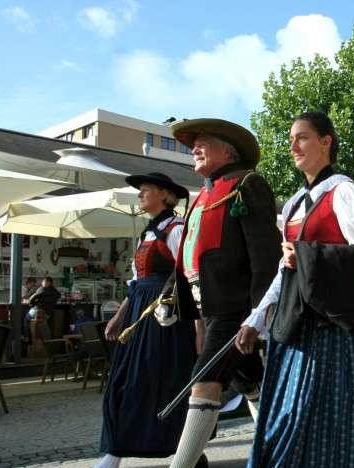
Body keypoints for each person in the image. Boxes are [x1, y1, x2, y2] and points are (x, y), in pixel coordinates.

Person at [236, 111, 354, 467]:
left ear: (326, 142)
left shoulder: (345, 192)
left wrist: (308, 256)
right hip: (295, 326)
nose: (293, 146)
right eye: (291, 139)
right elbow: (285, 269)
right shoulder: (292, 205)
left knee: (324, 420)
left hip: (335, 328)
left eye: (301, 137)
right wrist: (256, 317)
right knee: (287, 419)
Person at [167, 118, 282, 468]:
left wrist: (260, 310)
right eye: (193, 145)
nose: (194, 149)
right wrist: (171, 296)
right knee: (249, 379)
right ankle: (280, 445)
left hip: (236, 307)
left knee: (204, 379)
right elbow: (189, 249)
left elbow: (265, 254)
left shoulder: (246, 183)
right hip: (208, 306)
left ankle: (181, 465)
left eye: (203, 142)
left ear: (227, 151)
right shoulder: (201, 194)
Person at [95, 173, 196, 468]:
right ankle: (114, 451)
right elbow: (136, 282)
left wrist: (199, 325)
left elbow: (191, 277)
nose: (140, 195)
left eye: (145, 191)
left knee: (157, 382)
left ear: (164, 195)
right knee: (124, 381)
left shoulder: (175, 229)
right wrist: (119, 316)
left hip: (165, 316)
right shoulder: (147, 233)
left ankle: (187, 449)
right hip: (139, 311)